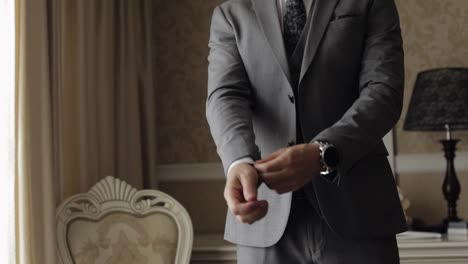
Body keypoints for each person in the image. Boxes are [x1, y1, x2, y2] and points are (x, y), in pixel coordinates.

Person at [205, 0, 408, 263]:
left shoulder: (370, 3)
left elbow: (383, 92)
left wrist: (322, 153)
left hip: (358, 211)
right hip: (264, 214)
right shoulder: (230, 14)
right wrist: (238, 161)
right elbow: (224, 95)